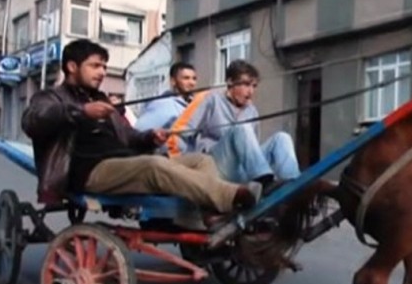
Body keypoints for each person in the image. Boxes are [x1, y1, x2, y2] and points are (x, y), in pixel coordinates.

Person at [21, 39, 261, 218]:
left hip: (123, 163)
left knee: (200, 161)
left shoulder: (101, 99)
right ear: (72, 66)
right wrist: (81, 112)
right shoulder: (51, 97)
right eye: (95, 66)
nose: (102, 72)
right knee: (152, 165)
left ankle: (207, 215)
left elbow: (128, 136)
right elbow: (33, 120)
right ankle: (230, 197)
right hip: (88, 171)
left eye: (104, 66)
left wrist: (150, 137)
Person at [175, 60, 300, 191]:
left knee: (282, 138)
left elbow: (252, 150)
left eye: (254, 86)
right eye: (246, 85)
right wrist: (184, 170)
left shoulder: (252, 111)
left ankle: (293, 184)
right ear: (230, 82)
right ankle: (264, 182)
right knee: (241, 128)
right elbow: (182, 133)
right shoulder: (212, 99)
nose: (250, 91)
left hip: (243, 169)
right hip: (216, 166)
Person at [135, 62, 198, 154]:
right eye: (186, 78)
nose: (191, 83)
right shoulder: (163, 104)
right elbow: (140, 130)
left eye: (194, 79)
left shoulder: (195, 105)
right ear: (173, 81)